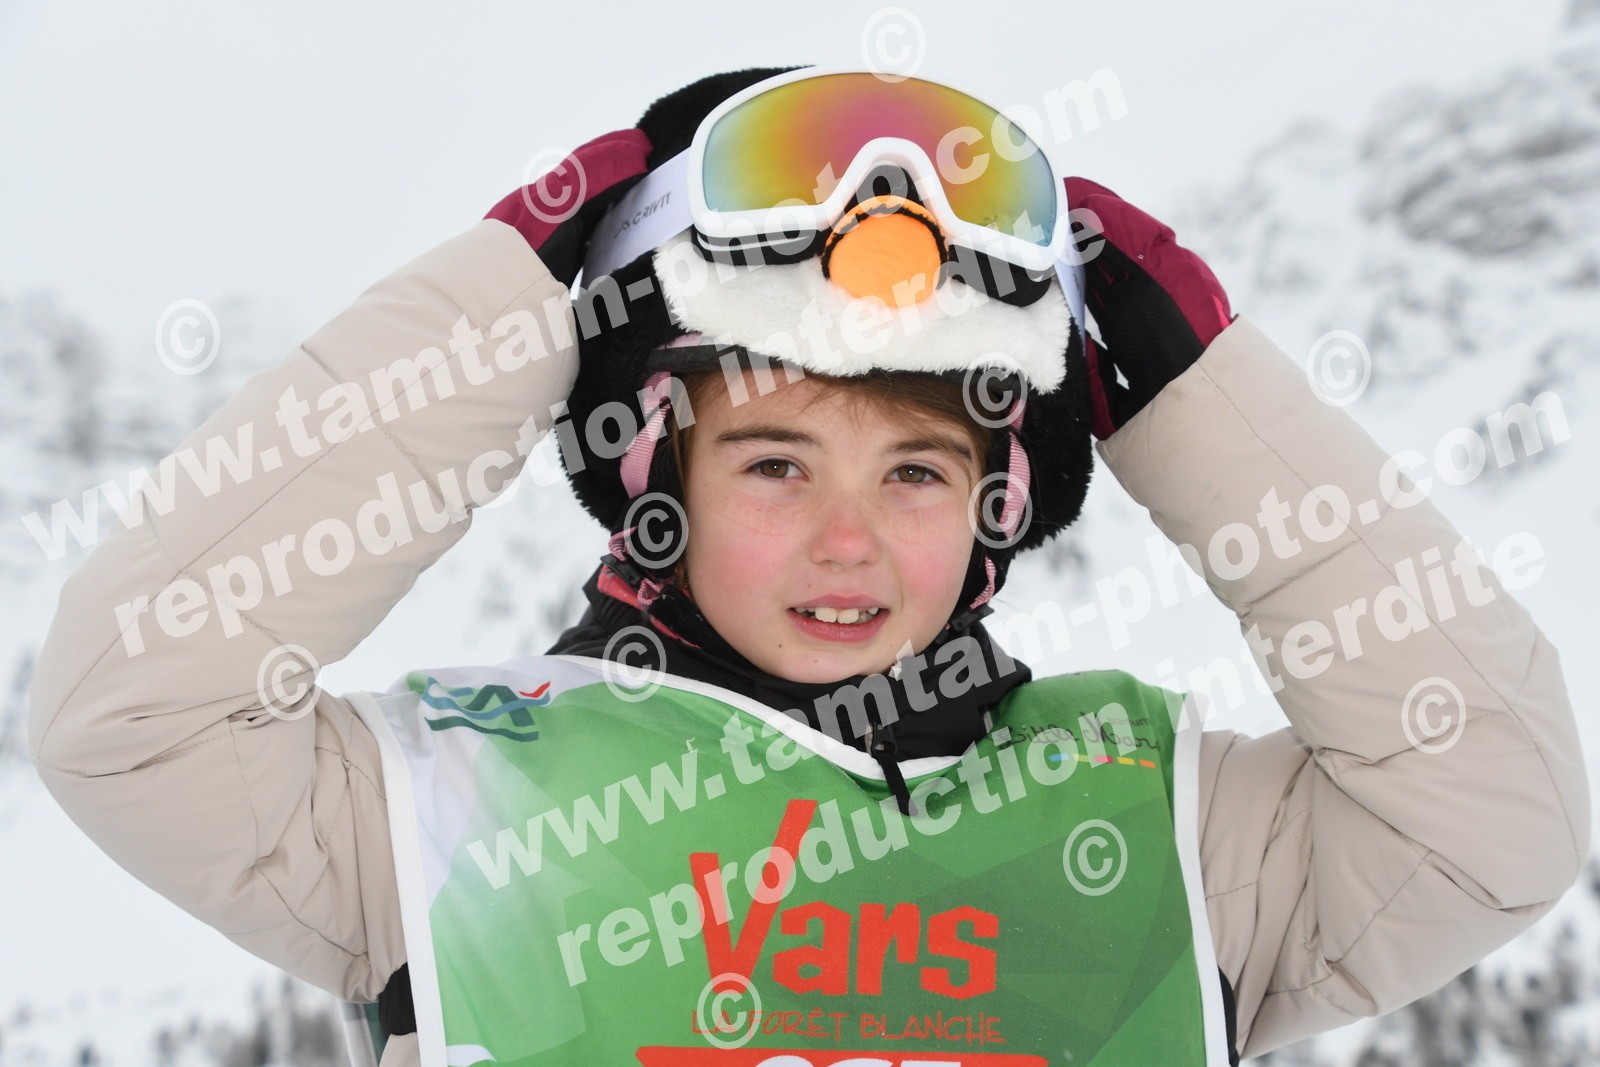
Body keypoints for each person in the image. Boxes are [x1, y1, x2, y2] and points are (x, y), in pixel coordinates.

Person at [27, 66, 1589, 1067]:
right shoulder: (447, 796)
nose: (851, 541)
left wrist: (1193, 395)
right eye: (775, 464)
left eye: (917, 472)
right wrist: (510, 302)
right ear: (656, 477)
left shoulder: (1170, 816)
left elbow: (1496, 819)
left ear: (998, 505)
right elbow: (128, 708)